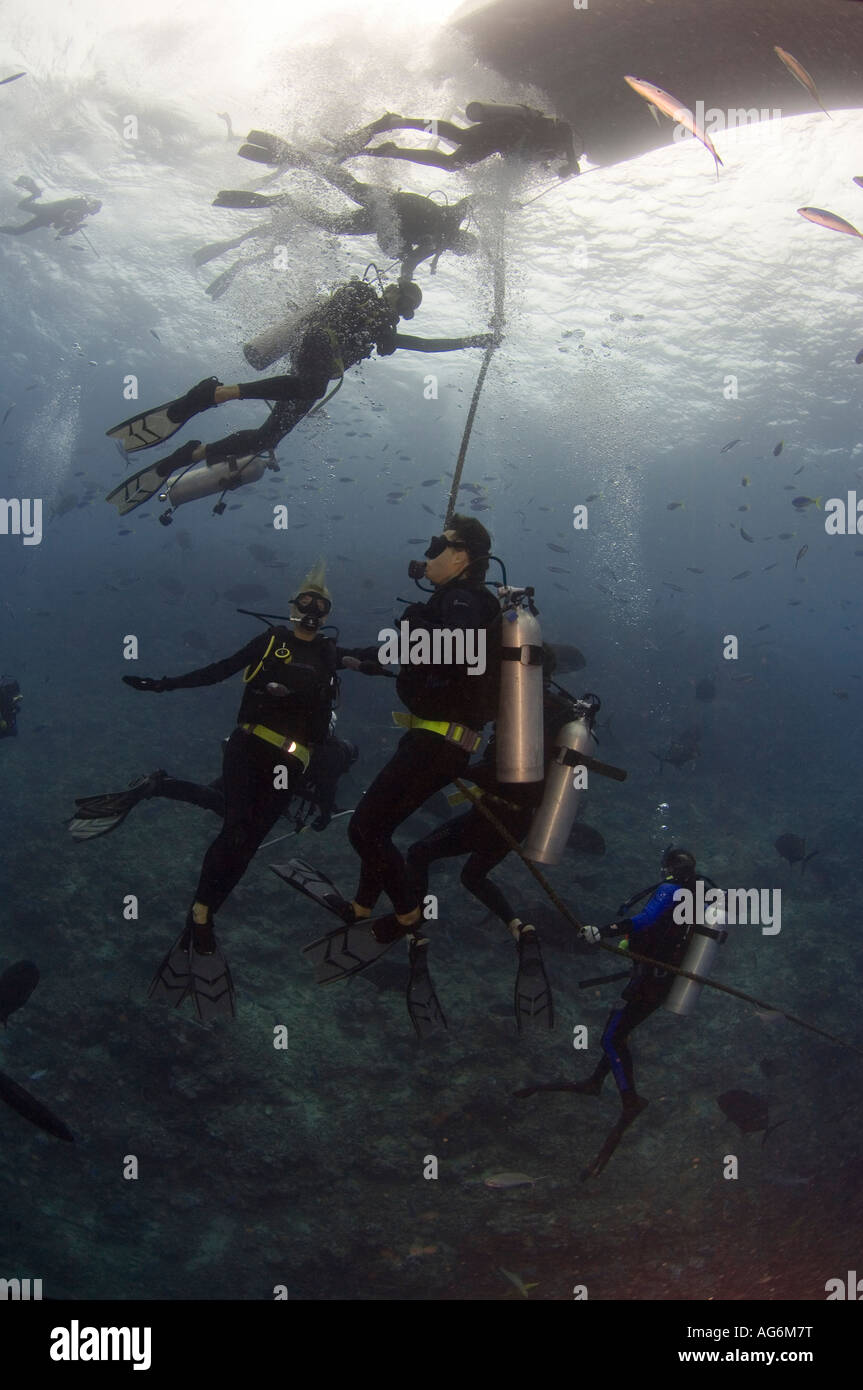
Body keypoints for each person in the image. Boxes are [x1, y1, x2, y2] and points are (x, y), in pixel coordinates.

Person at [115, 564, 384, 1022]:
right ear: (292, 605)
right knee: (236, 826)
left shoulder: (329, 652)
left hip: (291, 762)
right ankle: (200, 918)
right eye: (306, 602)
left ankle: (202, 915)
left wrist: (426, 648)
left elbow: (373, 658)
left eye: (322, 606)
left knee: (249, 843)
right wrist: (164, 684)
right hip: (249, 746)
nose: (312, 611)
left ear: (328, 613)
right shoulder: (270, 641)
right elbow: (219, 670)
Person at [278, 519, 502, 1038]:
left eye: (437, 546)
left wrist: (413, 631)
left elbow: (448, 650)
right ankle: (363, 905)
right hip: (435, 737)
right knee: (374, 826)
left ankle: (408, 921)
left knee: (366, 830)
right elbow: (404, 659)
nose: (427, 554)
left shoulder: (465, 600)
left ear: (462, 555)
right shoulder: (453, 602)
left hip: (441, 740)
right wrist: (349, 658)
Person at [105, 278, 495, 513]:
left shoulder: (372, 314)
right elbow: (419, 344)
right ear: (396, 296)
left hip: (310, 365)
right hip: (313, 353)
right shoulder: (369, 306)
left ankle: (185, 456)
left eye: (406, 308)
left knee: (266, 439)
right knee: (311, 387)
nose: (401, 310)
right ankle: (216, 394)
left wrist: (469, 341)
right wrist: (470, 341)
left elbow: (415, 343)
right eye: (405, 304)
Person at [404, 647, 577, 1031]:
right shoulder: (563, 712)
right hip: (520, 821)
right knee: (473, 875)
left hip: (493, 810)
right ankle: (520, 928)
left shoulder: (520, 702)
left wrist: (459, 767)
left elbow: (505, 768)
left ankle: (414, 933)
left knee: (418, 853)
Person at [515, 847, 708, 1176]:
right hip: (665, 982)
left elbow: (646, 921)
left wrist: (601, 931)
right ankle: (595, 1080)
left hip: (650, 981)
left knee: (611, 1038)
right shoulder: (697, 896)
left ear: (668, 869)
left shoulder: (670, 889)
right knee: (618, 1032)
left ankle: (630, 1099)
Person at [213, 155, 477, 280]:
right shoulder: (452, 217)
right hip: (387, 204)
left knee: (336, 224)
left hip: (380, 219)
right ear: (462, 237)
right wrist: (503, 203)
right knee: (350, 187)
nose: (455, 246)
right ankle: (305, 160)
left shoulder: (433, 246)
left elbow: (409, 265)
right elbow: (473, 200)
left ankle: (289, 201)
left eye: (459, 249)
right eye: (461, 245)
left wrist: (405, 282)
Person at [67, 733, 359, 839]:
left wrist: (328, 807)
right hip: (258, 778)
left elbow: (312, 790)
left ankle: (162, 783)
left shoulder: (318, 747)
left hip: (246, 761)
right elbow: (325, 789)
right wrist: (323, 817)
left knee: (209, 796)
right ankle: (158, 785)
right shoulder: (333, 758)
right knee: (226, 809)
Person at [331, 101, 580, 178]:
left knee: (452, 165)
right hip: (506, 129)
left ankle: (392, 150)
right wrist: (572, 162)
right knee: (460, 135)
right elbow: (567, 129)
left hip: (497, 143)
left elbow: (513, 159)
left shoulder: (544, 155)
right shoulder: (561, 136)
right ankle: (398, 121)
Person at [0, 176, 101, 237]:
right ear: (92, 204)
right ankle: (36, 193)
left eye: (95, 211)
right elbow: (64, 209)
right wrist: (71, 223)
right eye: (95, 208)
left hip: (46, 220)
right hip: (47, 210)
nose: (93, 211)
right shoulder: (80, 202)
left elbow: (61, 232)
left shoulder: (80, 217)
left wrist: (75, 229)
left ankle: (36, 193)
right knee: (21, 206)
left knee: (18, 232)